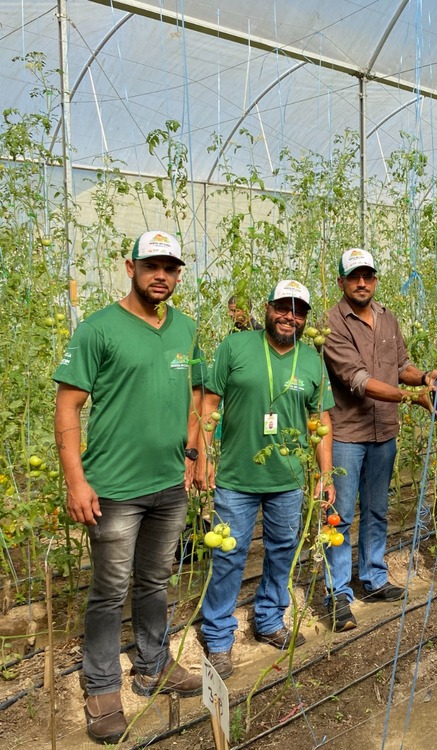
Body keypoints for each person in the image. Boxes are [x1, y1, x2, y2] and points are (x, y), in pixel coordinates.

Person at [53, 230, 204, 744]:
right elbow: (69, 406)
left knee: (156, 580)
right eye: (151, 265)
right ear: (130, 267)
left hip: (169, 484)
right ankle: (100, 686)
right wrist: (76, 479)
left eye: (171, 267)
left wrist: (193, 452)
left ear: (179, 273)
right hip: (115, 486)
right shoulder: (99, 329)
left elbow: (191, 400)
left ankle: (152, 664)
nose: (161, 275)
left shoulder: (185, 329)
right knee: (109, 590)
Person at [198, 280, 335, 679]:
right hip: (236, 477)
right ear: (268, 307)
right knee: (228, 556)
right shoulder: (235, 348)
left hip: (288, 480)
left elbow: (320, 420)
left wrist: (324, 475)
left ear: (306, 318)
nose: (290, 316)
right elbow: (209, 404)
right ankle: (219, 637)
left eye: (299, 311)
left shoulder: (311, 360)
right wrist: (204, 458)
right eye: (282, 307)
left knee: (282, 552)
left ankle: (270, 619)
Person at [322, 248, 435, 632]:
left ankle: (372, 578)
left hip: (383, 431)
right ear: (341, 282)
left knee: (377, 508)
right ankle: (337, 592)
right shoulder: (332, 323)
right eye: (354, 276)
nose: (362, 283)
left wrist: (424, 379)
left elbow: (401, 365)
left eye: (368, 275)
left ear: (375, 279)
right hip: (348, 434)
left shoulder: (388, 318)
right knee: (339, 515)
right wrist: (410, 397)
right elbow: (356, 380)